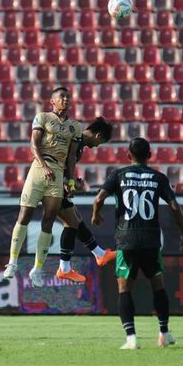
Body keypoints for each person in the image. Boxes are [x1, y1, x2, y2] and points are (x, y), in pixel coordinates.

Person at [92, 137, 183, 350]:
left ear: (128, 155)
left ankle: (131, 339)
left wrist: (96, 215)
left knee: (124, 288)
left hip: (126, 240)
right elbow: (174, 205)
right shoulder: (159, 177)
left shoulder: (118, 175)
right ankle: (164, 333)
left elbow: (99, 198)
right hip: (151, 240)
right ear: (150, 155)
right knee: (158, 286)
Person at [3, 87, 82, 288]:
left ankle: (37, 269)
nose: (65, 100)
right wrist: (44, 166)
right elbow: (34, 144)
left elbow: (72, 157)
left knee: (48, 220)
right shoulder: (43, 117)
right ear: (52, 102)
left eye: (67, 97)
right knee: (25, 215)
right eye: (61, 97)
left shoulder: (75, 127)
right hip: (39, 168)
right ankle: (12, 262)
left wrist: (71, 181)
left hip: (56, 173)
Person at [57, 117, 117, 282]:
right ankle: (66, 267)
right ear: (98, 136)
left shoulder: (79, 146)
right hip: (49, 186)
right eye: (101, 142)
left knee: (74, 220)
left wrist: (73, 183)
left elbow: (65, 169)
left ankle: (98, 255)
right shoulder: (72, 141)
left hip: (55, 185)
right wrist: (66, 183)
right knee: (71, 222)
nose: (97, 146)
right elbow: (56, 163)